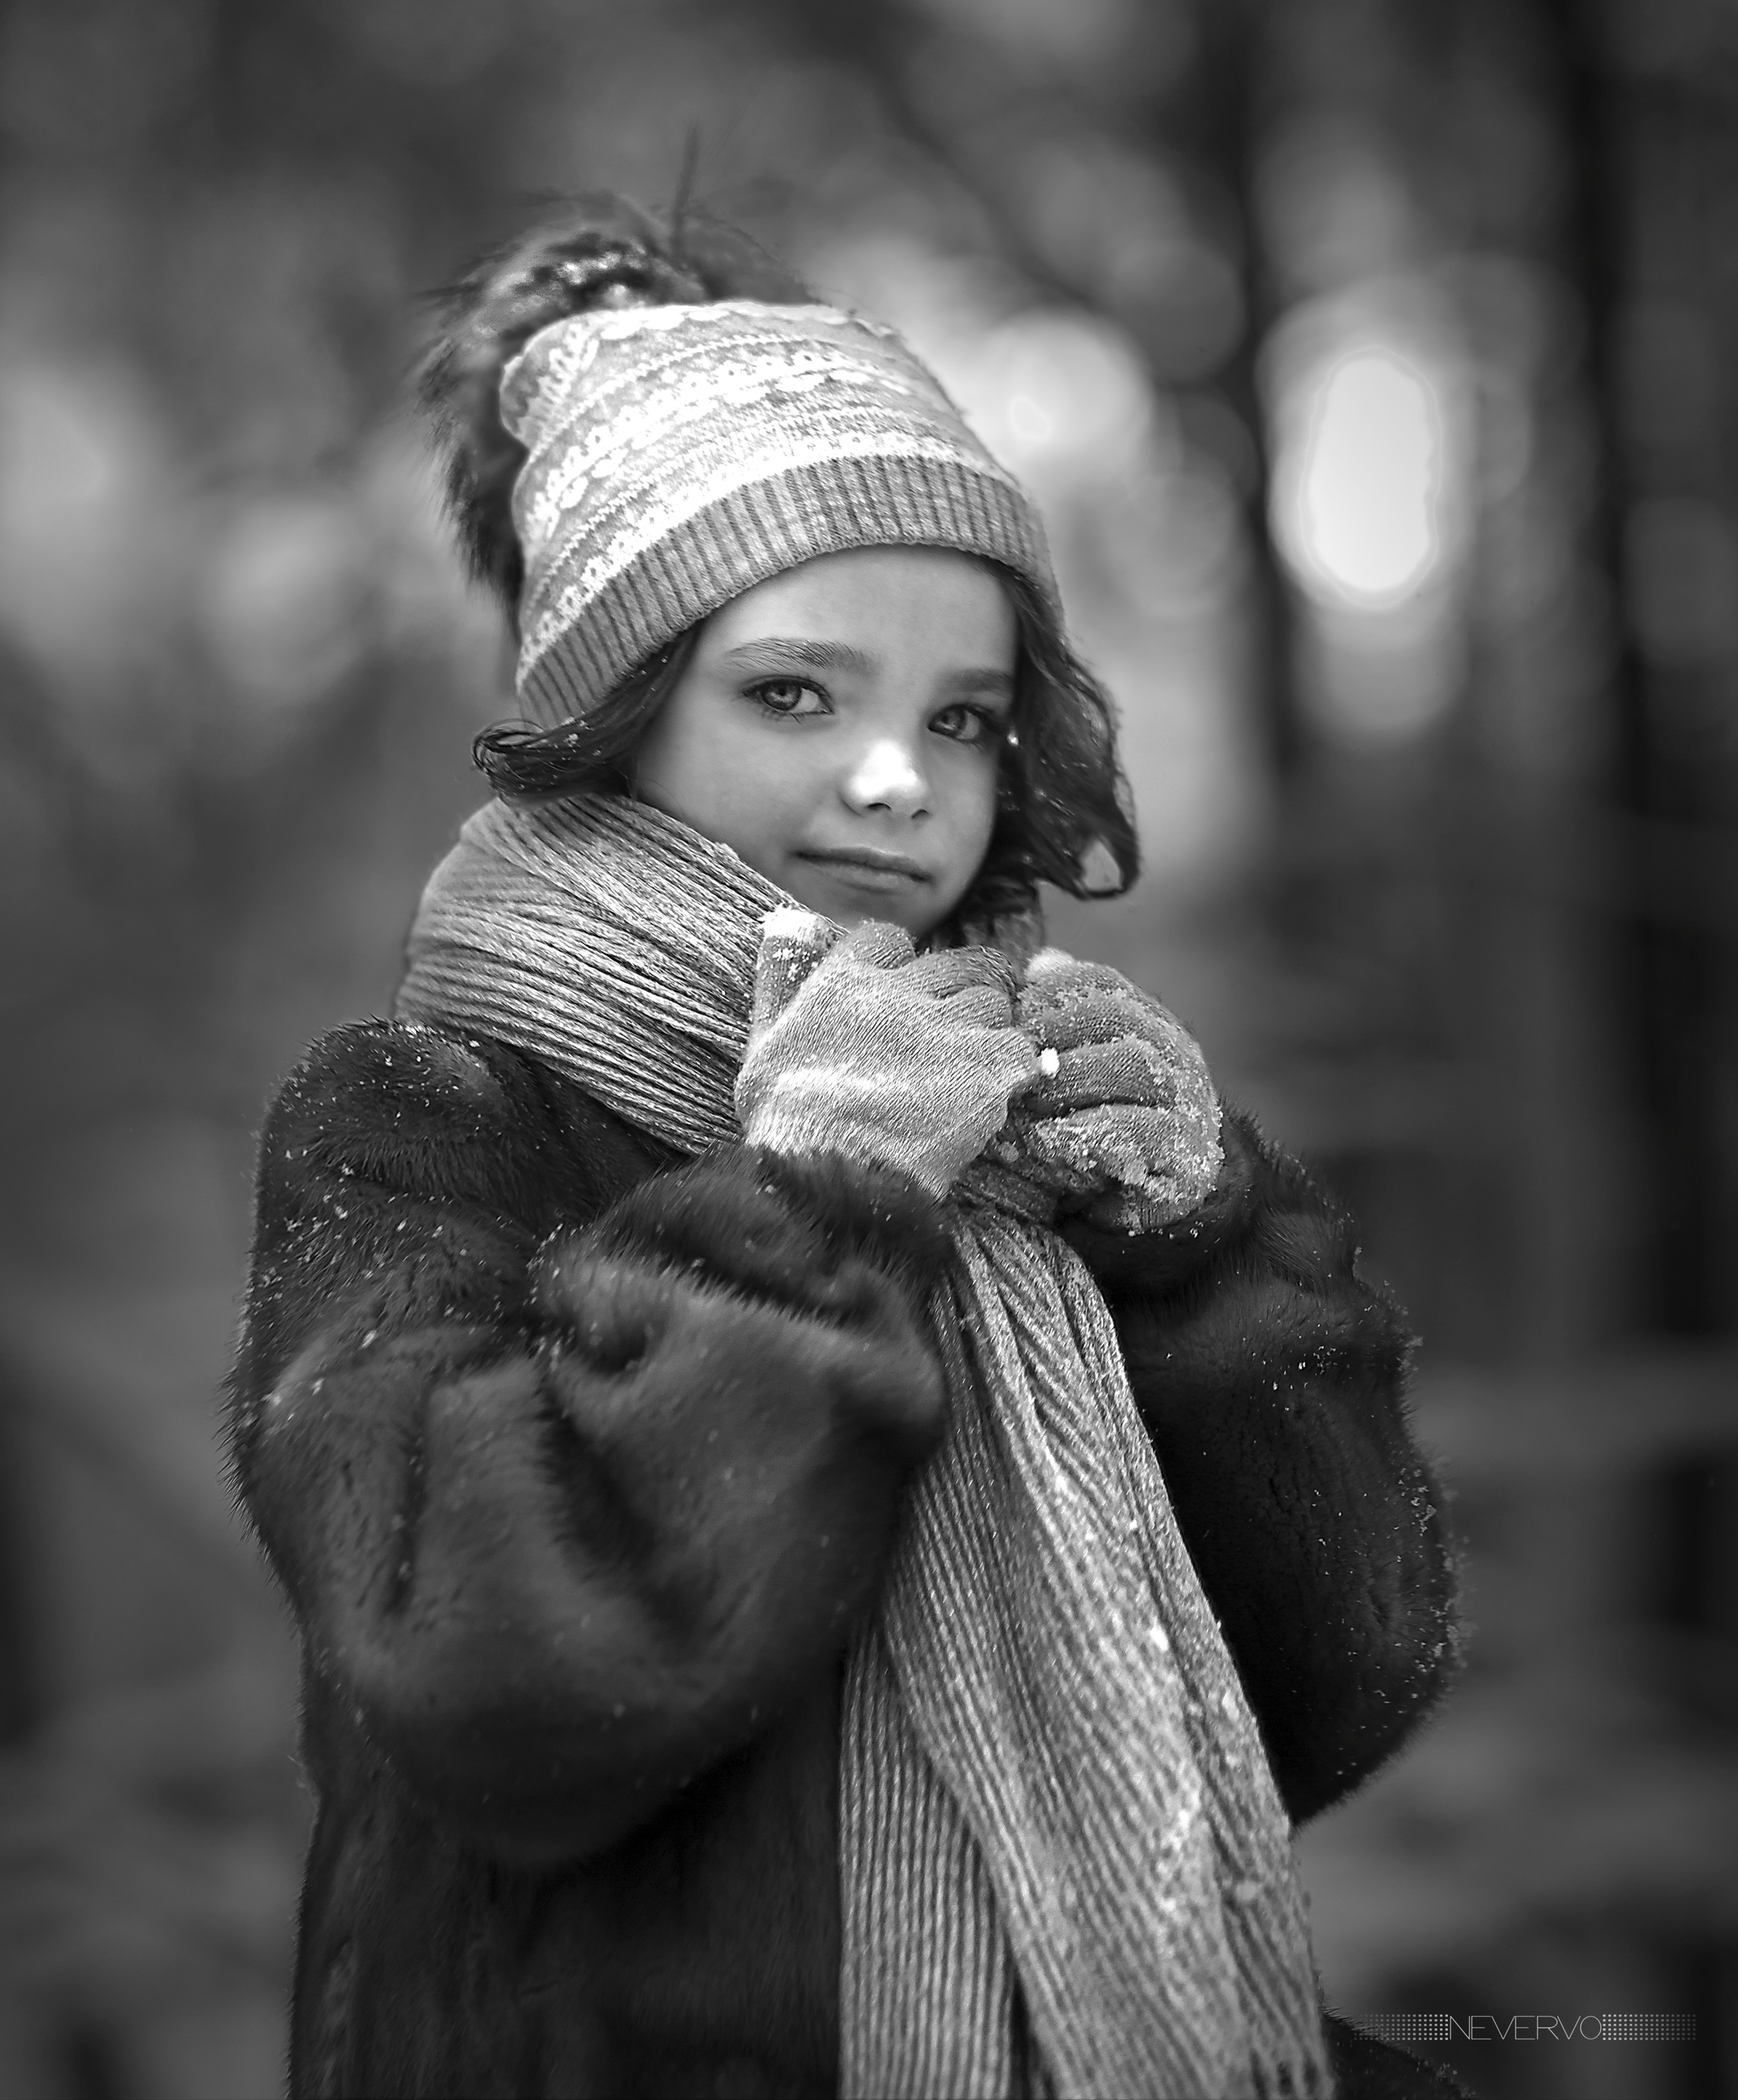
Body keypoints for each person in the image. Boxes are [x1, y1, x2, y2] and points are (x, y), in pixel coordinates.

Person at [227, 196, 1467, 2099]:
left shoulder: (1016, 1134)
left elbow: (1327, 1696)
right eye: (794, 691)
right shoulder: (425, 1116)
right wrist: (814, 1206)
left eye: (961, 715)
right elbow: (498, 1670)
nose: (899, 777)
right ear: (621, 713)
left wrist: (1206, 1261)